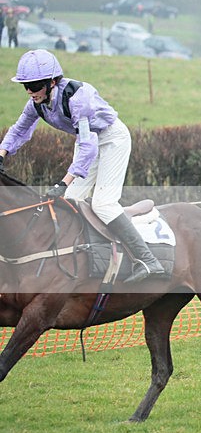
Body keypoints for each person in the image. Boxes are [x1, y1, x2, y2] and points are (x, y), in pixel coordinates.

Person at [0, 49, 165, 283]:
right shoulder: (36, 103)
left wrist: (62, 182)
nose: (30, 91)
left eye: (35, 85)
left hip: (111, 139)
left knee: (103, 203)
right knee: (70, 203)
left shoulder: (78, 97)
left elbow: (89, 147)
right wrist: (1, 154)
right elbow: (18, 130)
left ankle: (148, 260)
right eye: (25, 85)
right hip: (87, 142)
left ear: (52, 82)